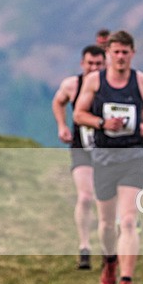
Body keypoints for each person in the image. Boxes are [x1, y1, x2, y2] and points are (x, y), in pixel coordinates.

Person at [74, 30, 143, 284]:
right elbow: (78, 114)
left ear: (132, 53)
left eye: (125, 52)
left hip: (132, 158)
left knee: (129, 221)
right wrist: (102, 123)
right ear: (108, 54)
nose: (121, 57)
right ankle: (109, 259)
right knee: (107, 224)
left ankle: (126, 281)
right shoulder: (94, 82)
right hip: (103, 159)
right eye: (116, 52)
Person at [51, 44, 106, 269]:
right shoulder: (72, 85)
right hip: (81, 147)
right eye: (90, 63)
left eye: (98, 64)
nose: (93, 68)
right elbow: (58, 101)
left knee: (106, 201)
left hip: (107, 150)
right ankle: (84, 247)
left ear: (105, 64)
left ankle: (108, 250)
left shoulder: (111, 86)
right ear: (82, 63)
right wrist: (62, 125)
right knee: (85, 197)